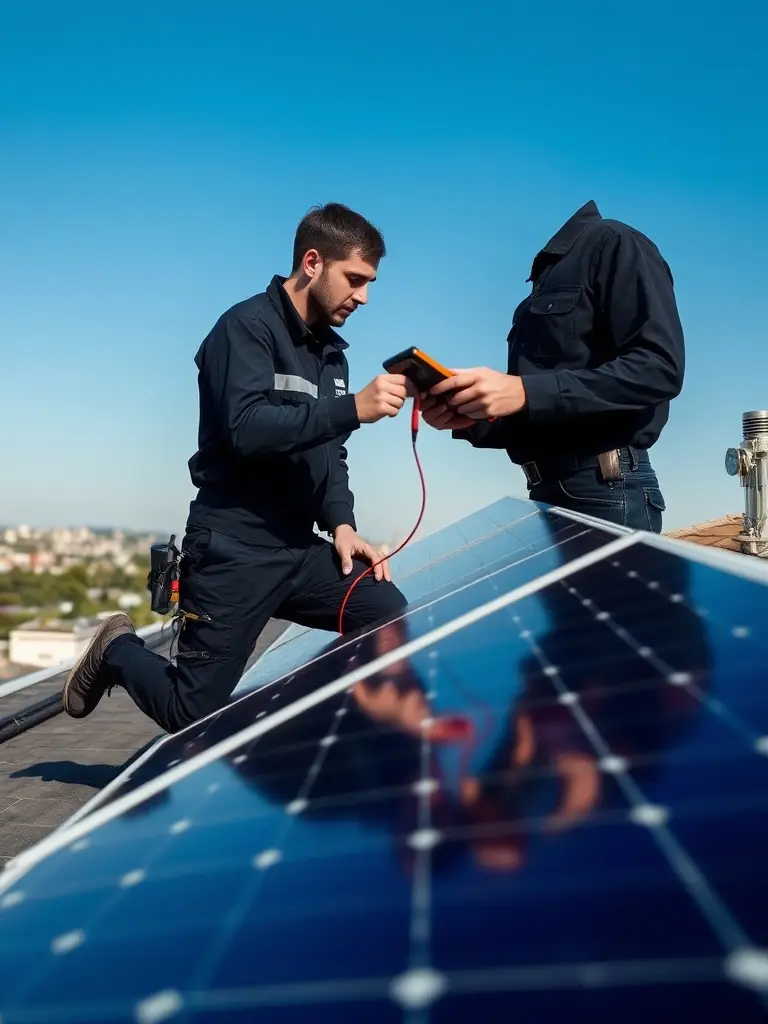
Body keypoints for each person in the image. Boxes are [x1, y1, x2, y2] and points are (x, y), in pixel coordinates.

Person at [63, 202, 410, 733]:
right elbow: (245, 429)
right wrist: (353, 408)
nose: (363, 297)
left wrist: (341, 523)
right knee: (190, 711)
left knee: (384, 607)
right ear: (312, 262)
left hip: (298, 549)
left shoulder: (333, 356)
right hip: (233, 548)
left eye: (370, 283)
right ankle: (118, 649)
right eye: (356, 279)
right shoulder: (244, 328)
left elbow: (330, 450)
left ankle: (314, 742)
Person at [420, 201, 685, 532]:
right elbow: (541, 412)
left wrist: (524, 391)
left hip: (605, 488)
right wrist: (473, 419)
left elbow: (659, 369)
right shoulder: (528, 303)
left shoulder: (615, 242)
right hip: (543, 492)